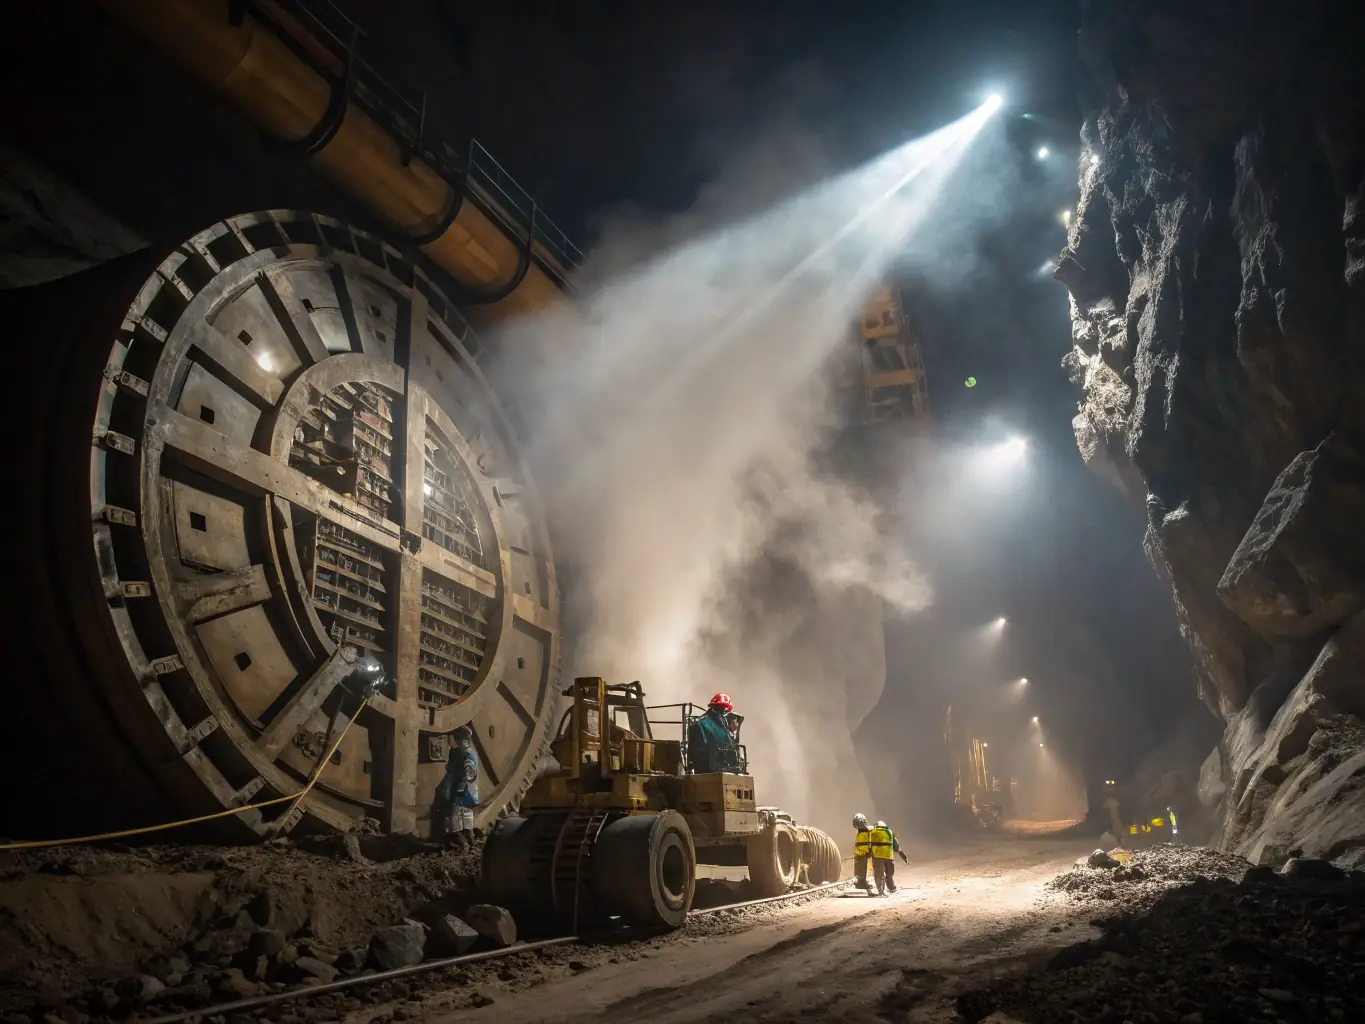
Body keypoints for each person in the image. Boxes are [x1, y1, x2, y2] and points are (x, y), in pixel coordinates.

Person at [439, 726, 479, 847]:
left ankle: (463, 844)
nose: (458, 743)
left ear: (466, 741)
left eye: (459, 741)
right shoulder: (468, 755)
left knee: (458, 818)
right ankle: (468, 841)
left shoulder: (468, 757)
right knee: (465, 818)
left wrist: (458, 790)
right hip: (467, 794)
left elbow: (469, 776)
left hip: (465, 794)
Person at [688, 693, 738, 773]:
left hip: (716, 767)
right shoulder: (701, 724)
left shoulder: (723, 725)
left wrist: (732, 732)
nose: (721, 712)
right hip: (709, 768)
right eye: (719, 708)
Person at [872, 819, 910, 894]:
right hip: (889, 856)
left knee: (879, 874)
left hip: (877, 856)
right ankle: (891, 888)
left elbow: (868, 844)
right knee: (889, 874)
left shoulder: (873, 832)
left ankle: (881, 891)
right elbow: (897, 847)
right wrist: (904, 857)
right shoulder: (889, 832)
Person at [852, 813, 873, 893]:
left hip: (865, 854)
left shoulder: (869, 831)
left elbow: (870, 841)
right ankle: (861, 882)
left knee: (867, 868)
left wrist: (870, 851)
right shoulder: (860, 832)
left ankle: (865, 882)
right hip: (859, 854)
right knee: (859, 869)